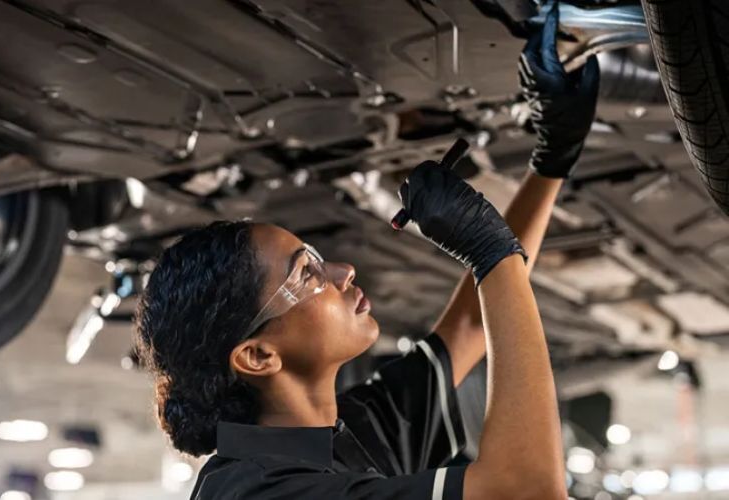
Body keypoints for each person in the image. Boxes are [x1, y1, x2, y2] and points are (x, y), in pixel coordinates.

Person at [133, 2, 599, 499]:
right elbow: (526, 491)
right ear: (258, 354)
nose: (343, 271)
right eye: (307, 274)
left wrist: (552, 157)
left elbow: (469, 327)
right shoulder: (254, 494)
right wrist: (490, 253)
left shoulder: (342, 434)